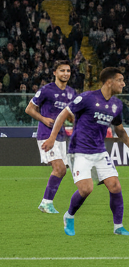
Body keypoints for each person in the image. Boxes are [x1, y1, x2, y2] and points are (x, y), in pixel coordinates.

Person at [40, 67, 129, 236]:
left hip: (100, 151)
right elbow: (62, 115)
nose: (123, 84)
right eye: (120, 80)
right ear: (109, 82)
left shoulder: (117, 105)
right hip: (79, 151)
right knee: (86, 189)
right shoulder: (87, 98)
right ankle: (69, 216)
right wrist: (52, 138)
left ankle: (118, 227)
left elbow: (120, 131)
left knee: (115, 186)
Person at [26, 60, 76, 214]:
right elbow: (29, 109)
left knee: (62, 171)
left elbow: (71, 116)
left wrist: (75, 120)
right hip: (46, 134)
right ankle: (46, 203)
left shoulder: (72, 93)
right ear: (55, 72)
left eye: (68, 70)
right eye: (62, 70)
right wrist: (43, 119)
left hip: (60, 135)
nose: (65, 73)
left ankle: (46, 202)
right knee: (59, 168)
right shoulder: (46, 90)